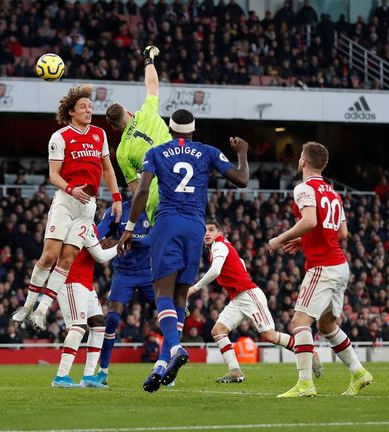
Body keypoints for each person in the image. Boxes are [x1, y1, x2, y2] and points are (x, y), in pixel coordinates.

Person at [117, 109, 249, 392]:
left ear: (169, 127)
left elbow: (141, 192)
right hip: (195, 227)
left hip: (168, 222)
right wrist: (243, 153)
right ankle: (162, 365)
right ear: (193, 129)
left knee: (162, 293)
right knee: (179, 297)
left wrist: (129, 226)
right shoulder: (208, 151)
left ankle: (175, 348)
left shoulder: (156, 151)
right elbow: (241, 179)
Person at [12, 84, 122, 330]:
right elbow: (54, 175)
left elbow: (107, 169)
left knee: (67, 260)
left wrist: (116, 199)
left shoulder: (99, 134)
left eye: (90, 107)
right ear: (71, 112)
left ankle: (41, 311)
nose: (88, 110)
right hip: (66, 201)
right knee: (50, 256)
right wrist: (72, 189)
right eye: (83, 107)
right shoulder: (60, 137)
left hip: (88, 207)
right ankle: (28, 305)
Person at [268, 142, 372, 397]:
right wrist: (303, 240)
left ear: (303, 161)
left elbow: (311, 220)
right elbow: (342, 233)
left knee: (299, 323)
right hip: (340, 266)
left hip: (323, 266)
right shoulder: (333, 192)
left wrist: (280, 239)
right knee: (326, 326)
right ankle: (359, 373)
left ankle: (305, 384)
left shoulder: (304, 188)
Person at [187, 220, 322, 383]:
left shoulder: (219, 245)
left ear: (220, 233)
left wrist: (195, 288)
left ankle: (309, 352)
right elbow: (241, 263)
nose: (207, 234)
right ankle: (235, 371)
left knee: (270, 335)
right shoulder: (223, 246)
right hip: (238, 298)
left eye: (211, 230)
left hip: (248, 295)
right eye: (205, 231)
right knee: (218, 331)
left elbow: (216, 270)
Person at [105, 45, 171, 226]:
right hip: (180, 183)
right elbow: (152, 84)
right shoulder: (146, 112)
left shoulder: (122, 152)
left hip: (156, 197)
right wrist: (149, 60)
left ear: (113, 127)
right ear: (127, 111)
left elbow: (137, 191)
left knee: (164, 250)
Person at [92, 200, 153, 386]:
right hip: (124, 273)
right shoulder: (118, 210)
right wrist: (91, 235)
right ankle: (103, 372)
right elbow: (99, 232)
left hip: (149, 272)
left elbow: (151, 240)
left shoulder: (154, 209)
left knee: (172, 314)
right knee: (111, 319)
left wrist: (121, 240)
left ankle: (165, 365)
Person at [51, 223, 117, 388]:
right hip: (71, 280)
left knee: (99, 324)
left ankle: (88, 376)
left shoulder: (88, 223)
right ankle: (61, 376)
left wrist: (101, 245)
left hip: (85, 282)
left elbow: (89, 249)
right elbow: (101, 257)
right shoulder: (81, 223)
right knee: (78, 327)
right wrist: (121, 244)